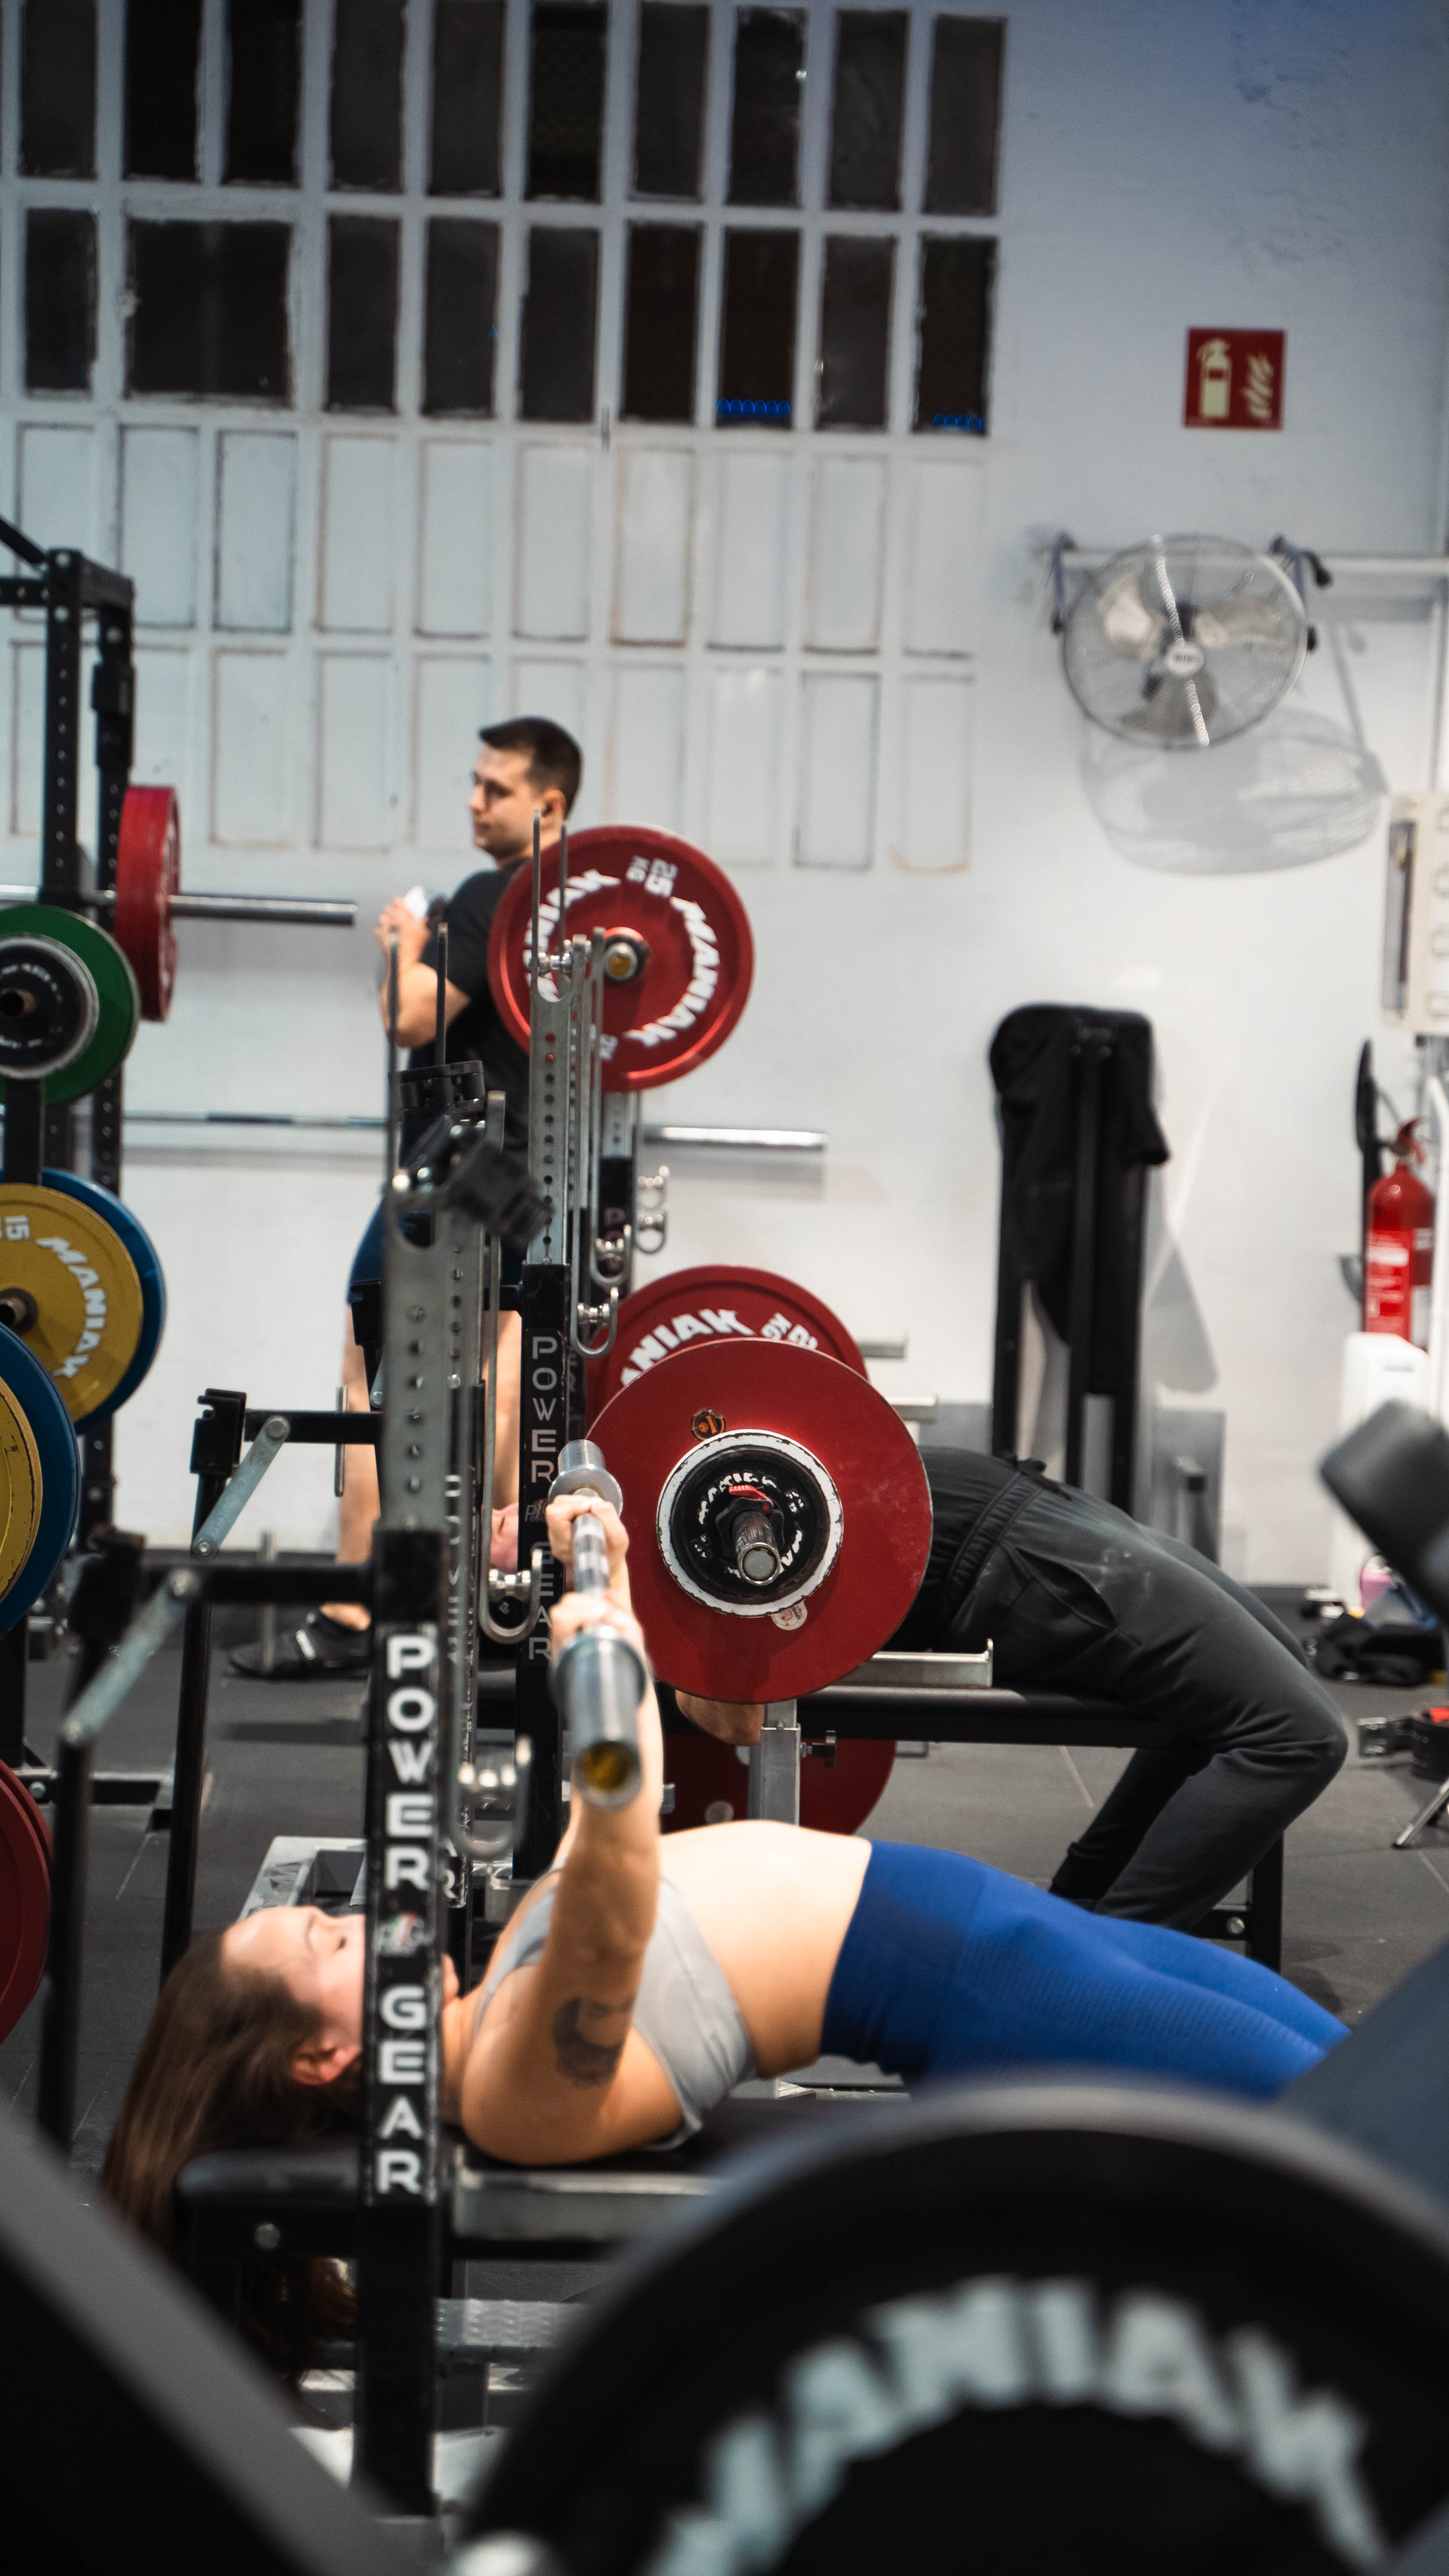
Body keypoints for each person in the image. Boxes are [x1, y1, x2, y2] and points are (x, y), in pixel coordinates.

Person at [108, 1492, 1343, 2307]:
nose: (368, 1921)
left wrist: (614, 1580)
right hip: (1001, 2003)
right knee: (1368, 2154)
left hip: (1023, 1950)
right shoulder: (513, 2093)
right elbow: (615, 1866)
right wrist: (599, 1652)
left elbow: (621, 1823)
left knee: (1362, 2083)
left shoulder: (494, 2015)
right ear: (324, 2055)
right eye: (328, 1936)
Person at [231, 717, 582, 1681]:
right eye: (474, 784)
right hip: (537, 1170)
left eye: (495, 789)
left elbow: (412, 1015)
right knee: (510, 1359)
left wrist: (403, 942)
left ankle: (354, 1609)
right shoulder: (579, 908)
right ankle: (514, 1601)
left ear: (548, 804)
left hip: (462, 1161)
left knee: (366, 1356)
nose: (474, 802)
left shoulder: (490, 893)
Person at [675, 1446, 1350, 1936]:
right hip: (1015, 1560)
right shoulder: (667, 1580)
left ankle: (1089, 1896)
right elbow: (733, 1720)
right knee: (1297, 1735)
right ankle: (1110, 1966)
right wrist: (679, 1640)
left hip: (1037, 1506)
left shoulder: (698, 1467)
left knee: (1278, 1675)